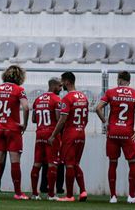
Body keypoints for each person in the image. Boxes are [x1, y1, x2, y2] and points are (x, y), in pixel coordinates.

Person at [96, 71, 135, 204]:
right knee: (133, 162)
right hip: (127, 133)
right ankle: (131, 196)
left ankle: (113, 197)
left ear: (118, 80)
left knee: (113, 163)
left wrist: (105, 123)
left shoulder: (110, 92)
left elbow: (97, 108)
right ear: (129, 82)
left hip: (112, 133)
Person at [0, 65, 29, 200]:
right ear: (19, 77)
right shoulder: (19, 89)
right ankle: (18, 193)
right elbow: (26, 107)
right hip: (13, 129)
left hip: (0, 128)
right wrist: (24, 124)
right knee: (15, 162)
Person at [48, 71, 88, 202]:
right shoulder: (83, 96)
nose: (61, 84)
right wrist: (80, 128)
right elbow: (86, 118)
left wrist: (53, 135)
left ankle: (69, 195)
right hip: (81, 132)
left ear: (68, 82)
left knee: (69, 165)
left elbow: (62, 120)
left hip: (70, 134)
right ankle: (82, 191)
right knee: (76, 164)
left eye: (63, 81)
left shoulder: (67, 98)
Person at [30, 77, 62, 200]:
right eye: (59, 86)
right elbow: (59, 118)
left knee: (37, 163)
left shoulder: (38, 100)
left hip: (39, 134)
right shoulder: (56, 100)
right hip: (51, 134)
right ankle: (51, 194)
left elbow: (33, 119)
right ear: (54, 86)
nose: (60, 88)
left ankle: (34, 193)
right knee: (52, 164)